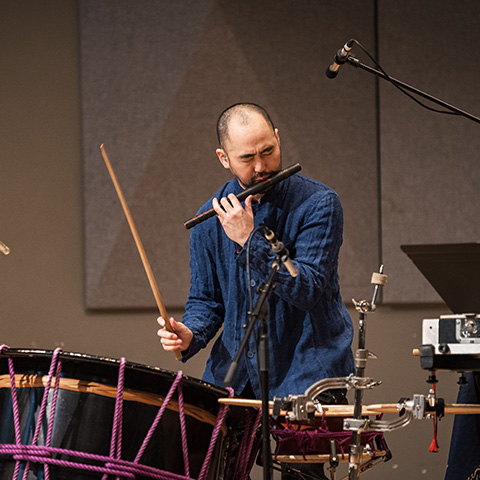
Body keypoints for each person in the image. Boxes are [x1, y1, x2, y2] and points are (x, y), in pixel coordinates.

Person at [158, 103, 354, 478]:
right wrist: (191, 334)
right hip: (235, 378)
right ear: (224, 158)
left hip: (309, 371)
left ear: (278, 138)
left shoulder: (318, 204)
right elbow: (206, 300)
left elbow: (308, 288)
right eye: (248, 158)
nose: (262, 166)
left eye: (269, 150)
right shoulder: (208, 218)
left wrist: (250, 240)